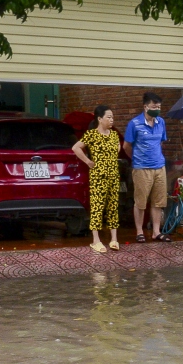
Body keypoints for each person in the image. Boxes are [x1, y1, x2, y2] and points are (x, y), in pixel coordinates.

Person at [72, 105, 122, 253]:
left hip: (113, 175)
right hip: (98, 176)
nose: (111, 120)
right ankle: (96, 240)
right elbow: (76, 148)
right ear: (99, 119)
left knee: (113, 206)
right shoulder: (91, 134)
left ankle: (114, 238)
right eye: (109, 117)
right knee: (97, 207)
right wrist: (88, 161)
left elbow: (118, 148)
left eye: (112, 117)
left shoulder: (113, 135)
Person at [124, 91, 170, 243]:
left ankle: (156, 232)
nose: (157, 108)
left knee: (158, 201)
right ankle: (139, 231)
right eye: (154, 106)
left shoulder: (161, 122)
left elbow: (161, 142)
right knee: (141, 202)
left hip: (159, 167)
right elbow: (126, 146)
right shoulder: (134, 123)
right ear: (145, 106)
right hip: (141, 168)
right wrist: (137, 159)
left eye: (158, 106)